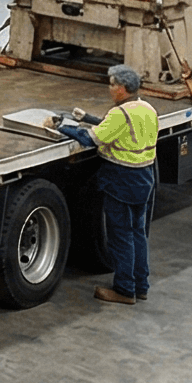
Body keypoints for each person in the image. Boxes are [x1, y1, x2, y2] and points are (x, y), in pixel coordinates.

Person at [59, 64, 159, 305]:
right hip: (144, 179)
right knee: (138, 234)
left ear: (122, 89)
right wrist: (87, 118)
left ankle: (124, 290)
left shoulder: (120, 114)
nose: (110, 89)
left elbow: (90, 138)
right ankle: (140, 285)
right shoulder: (147, 109)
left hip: (122, 181)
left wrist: (61, 126)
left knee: (121, 237)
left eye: (112, 85)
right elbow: (117, 128)